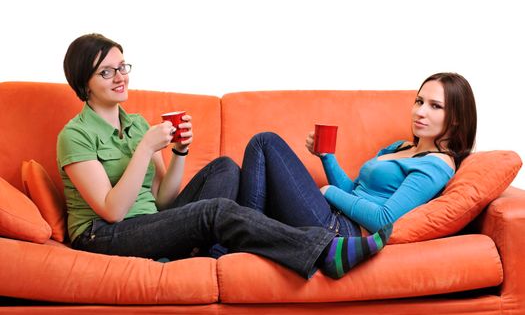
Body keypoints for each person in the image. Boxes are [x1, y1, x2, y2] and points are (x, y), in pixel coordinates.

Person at [57, 33, 392, 280]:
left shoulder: (136, 124)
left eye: (122, 66)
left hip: (148, 223)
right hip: (103, 235)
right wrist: (145, 149)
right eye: (106, 72)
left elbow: (161, 200)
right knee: (213, 211)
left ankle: (204, 247)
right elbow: (113, 211)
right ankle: (323, 249)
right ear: (83, 83)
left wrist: (179, 152)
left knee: (225, 168)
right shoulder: (75, 136)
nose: (120, 77)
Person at [238, 72, 477, 237]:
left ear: (455, 118)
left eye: (435, 106)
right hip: (331, 214)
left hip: (341, 229)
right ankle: (246, 237)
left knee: (265, 142)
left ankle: (247, 237)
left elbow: (385, 220)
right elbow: (353, 191)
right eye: (419, 101)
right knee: (231, 171)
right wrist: (326, 156)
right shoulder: (400, 147)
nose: (420, 112)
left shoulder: (436, 165)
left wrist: (328, 192)